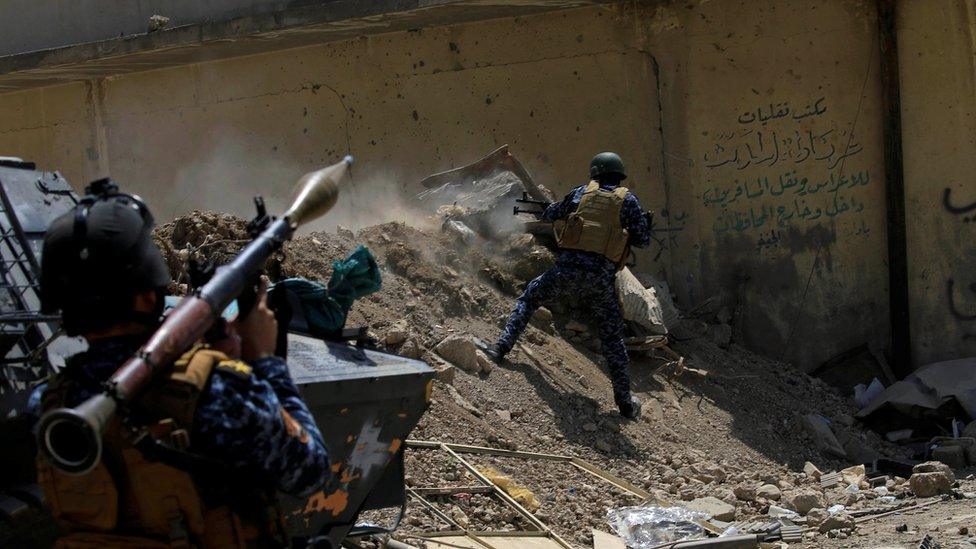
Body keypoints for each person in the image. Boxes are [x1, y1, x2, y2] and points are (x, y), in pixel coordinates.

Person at [30, 179, 330, 547]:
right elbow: (310, 471)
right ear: (146, 295)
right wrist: (265, 362)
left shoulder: (48, 406)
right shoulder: (218, 392)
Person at [484, 152, 651, 419]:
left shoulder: (581, 193)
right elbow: (642, 240)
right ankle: (625, 404)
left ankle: (500, 348)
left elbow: (551, 213)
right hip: (600, 282)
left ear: (594, 173)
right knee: (612, 340)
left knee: (529, 299)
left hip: (565, 273)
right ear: (619, 175)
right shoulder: (628, 201)